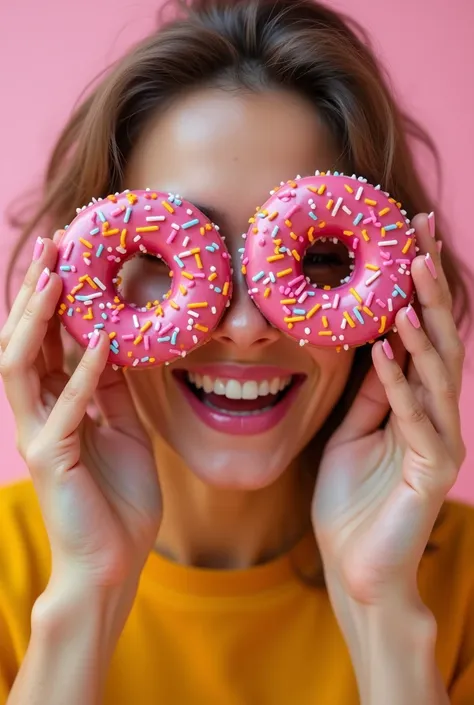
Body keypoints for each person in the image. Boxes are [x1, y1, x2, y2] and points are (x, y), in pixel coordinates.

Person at [0, 0, 473, 703]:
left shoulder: (459, 580)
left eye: (314, 256)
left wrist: (381, 615)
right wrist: (86, 598)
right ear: (77, 282)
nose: (248, 323)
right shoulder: (11, 565)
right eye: (173, 253)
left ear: (399, 290)